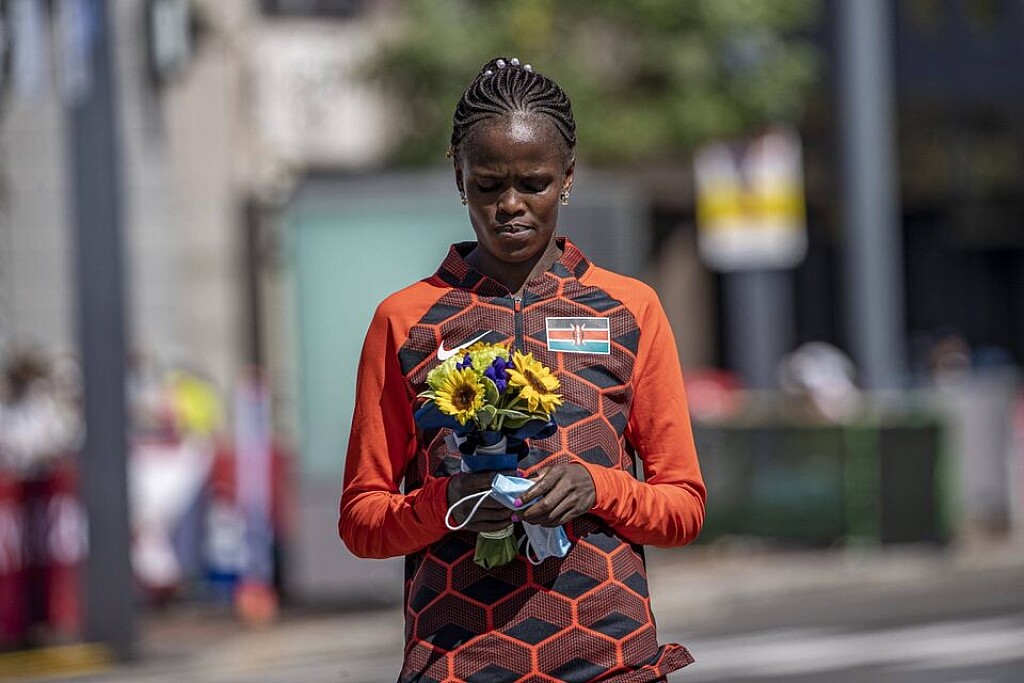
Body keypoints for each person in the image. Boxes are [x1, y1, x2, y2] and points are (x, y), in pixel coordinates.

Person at [340, 57, 706, 682]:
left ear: (568, 177)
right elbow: (361, 519)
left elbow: (684, 508)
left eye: (534, 183)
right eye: (488, 185)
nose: (511, 205)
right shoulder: (405, 320)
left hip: (610, 661)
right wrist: (447, 502)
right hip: (458, 665)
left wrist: (599, 488)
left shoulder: (630, 309)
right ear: (459, 177)